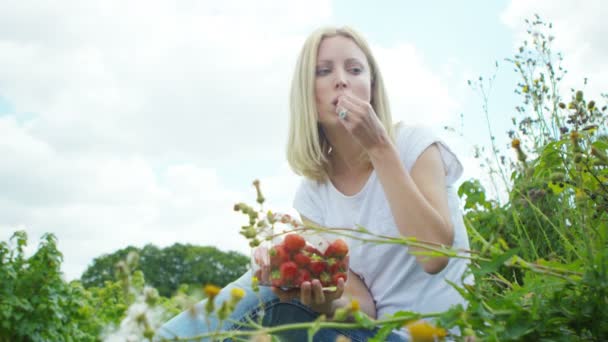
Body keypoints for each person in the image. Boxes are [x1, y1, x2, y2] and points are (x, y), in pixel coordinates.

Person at [156, 26, 472, 342]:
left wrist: (379, 148)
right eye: (324, 71)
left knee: (259, 295)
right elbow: (365, 308)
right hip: (373, 334)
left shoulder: (413, 144)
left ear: (371, 87)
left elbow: (434, 256)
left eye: (355, 69)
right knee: (270, 290)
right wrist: (324, 299)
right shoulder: (313, 195)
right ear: (308, 94)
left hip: (436, 336)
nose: (342, 79)